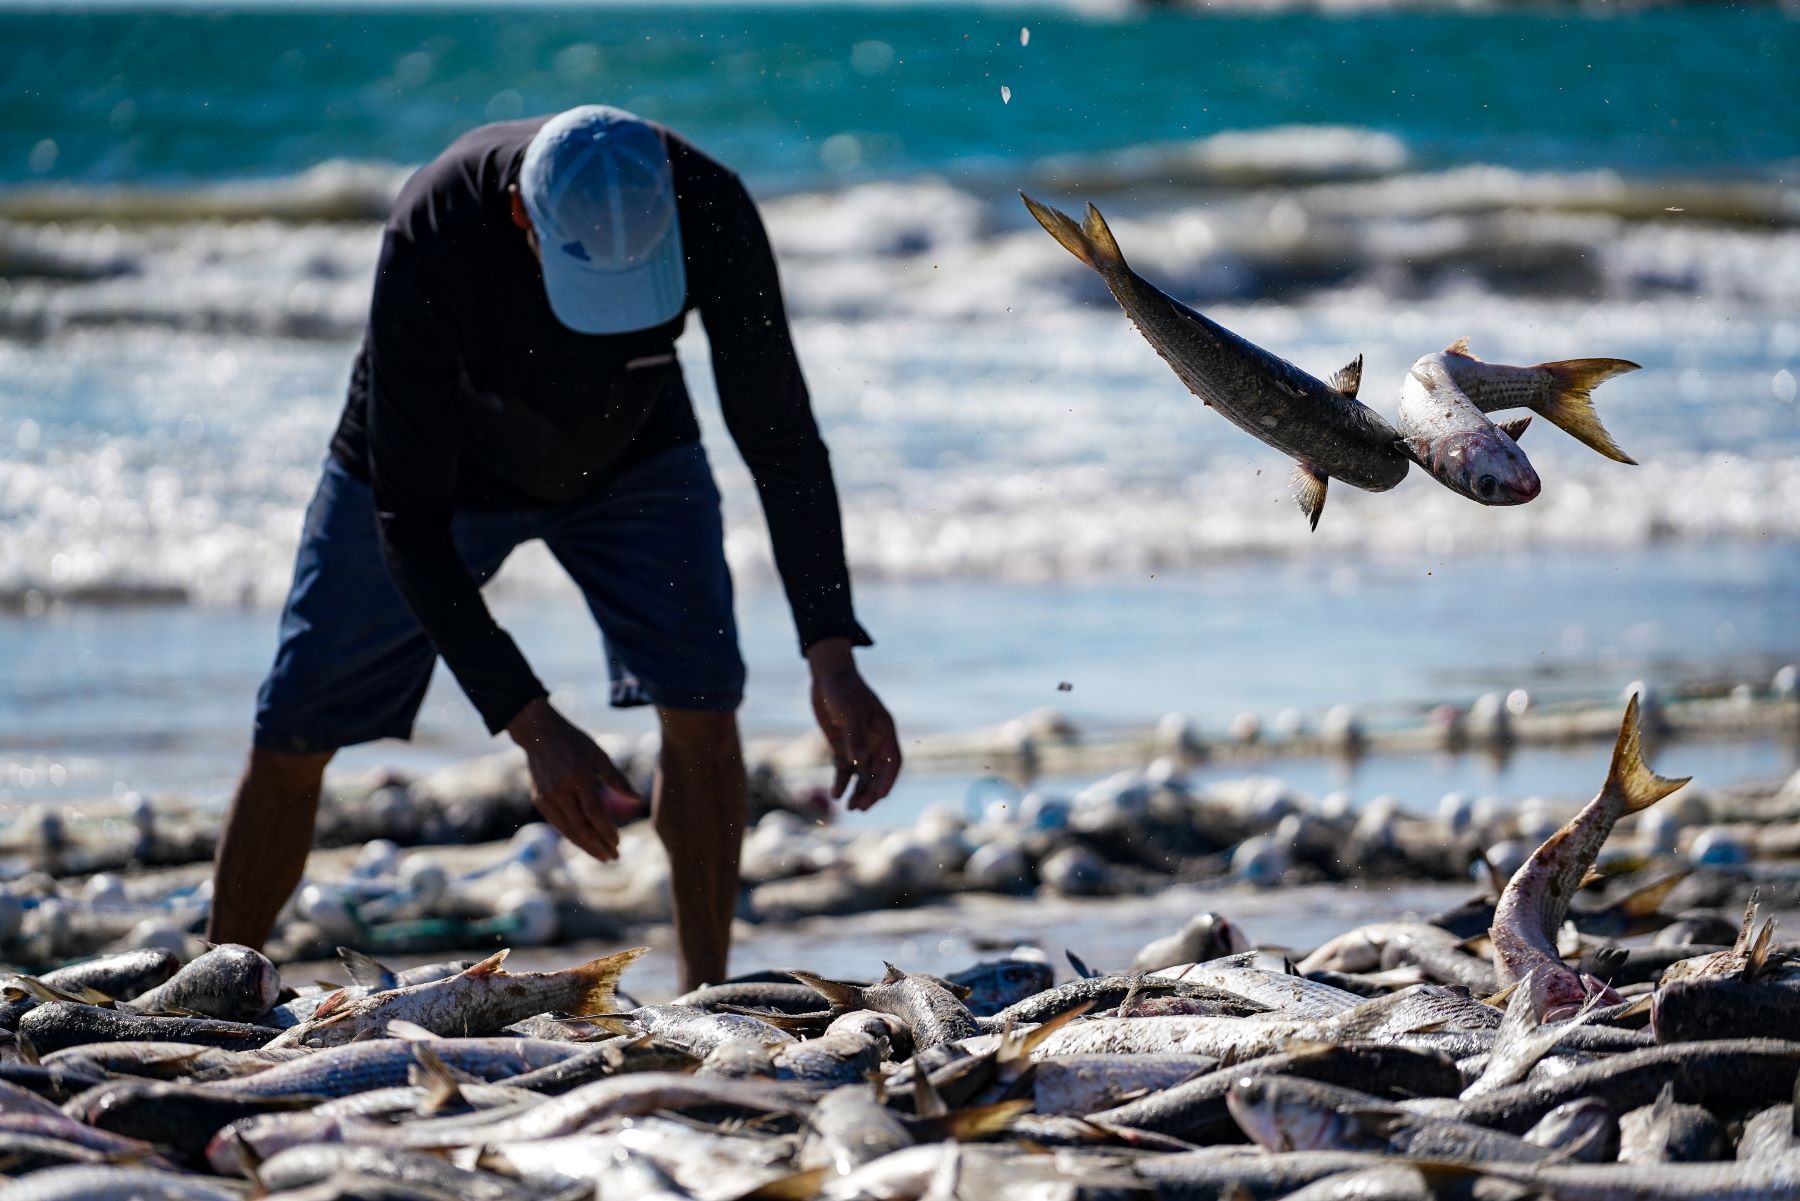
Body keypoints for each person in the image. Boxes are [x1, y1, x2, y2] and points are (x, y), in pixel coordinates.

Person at [207, 106, 902, 991]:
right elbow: (408, 529)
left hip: (634, 452)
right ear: (522, 219)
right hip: (439, 470)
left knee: (704, 703)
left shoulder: (711, 207)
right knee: (295, 724)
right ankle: (214, 997)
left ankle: (704, 998)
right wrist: (533, 725)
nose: (602, 328)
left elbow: (782, 438)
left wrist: (831, 651)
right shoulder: (436, 227)